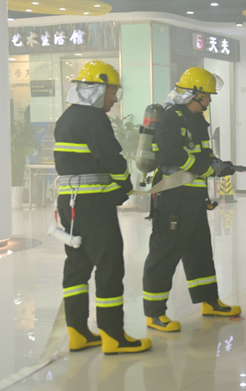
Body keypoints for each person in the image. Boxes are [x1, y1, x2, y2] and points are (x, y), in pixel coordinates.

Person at [54, 60, 151, 354]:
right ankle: (113, 336)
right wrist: (124, 186)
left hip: (70, 204)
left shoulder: (66, 118)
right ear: (97, 90)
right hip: (94, 205)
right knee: (109, 266)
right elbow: (111, 158)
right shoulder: (93, 119)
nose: (114, 99)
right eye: (112, 92)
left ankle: (78, 332)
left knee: (77, 266)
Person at [142, 67, 240, 333]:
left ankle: (209, 302)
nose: (209, 99)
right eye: (207, 95)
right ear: (195, 94)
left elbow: (202, 153)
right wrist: (206, 168)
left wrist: (218, 165)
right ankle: (154, 313)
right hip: (174, 198)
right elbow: (171, 154)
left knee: (200, 252)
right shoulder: (173, 117)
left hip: (193, 198)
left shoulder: (196, 119)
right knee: (165, 253)